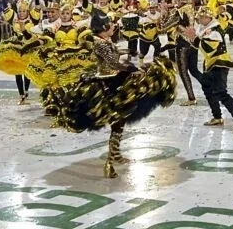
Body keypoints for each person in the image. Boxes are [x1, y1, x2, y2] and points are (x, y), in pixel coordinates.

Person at [54, 12, 177, 178]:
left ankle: (115, 155)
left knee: (120, 121)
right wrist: (133, 68)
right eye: (110, 25)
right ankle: (110, 163)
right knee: (118, 120)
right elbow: (113, 63)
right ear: (104, 28)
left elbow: (115, 60)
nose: (113, 27)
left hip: (114, 79)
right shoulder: (100, 43)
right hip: (109, 85)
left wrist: (133, 65)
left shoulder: (104, 41)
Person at [184, 6, 233, 133]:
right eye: (198, 18)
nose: (199, 20)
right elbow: (198, 44)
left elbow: (209, 47)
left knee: (220, 92)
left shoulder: (215, 30)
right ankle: (217, 116)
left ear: (208, 17)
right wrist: (193, 38)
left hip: (219, 64)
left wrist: (195, 38)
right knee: (207, 89)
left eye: (201, 17)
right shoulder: (204, 29)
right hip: (209, 64)